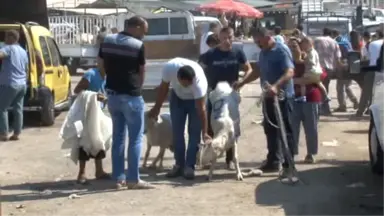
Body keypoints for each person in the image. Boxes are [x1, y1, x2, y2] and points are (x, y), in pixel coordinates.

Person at [98, 16, 153, 189]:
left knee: (118, 138)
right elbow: (142, 70)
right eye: (144, 31)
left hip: (113, 95)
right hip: (131, 95)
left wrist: (107, 80)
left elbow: (100, 63)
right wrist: (138, 88)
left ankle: (119, 178)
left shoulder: (107, 40)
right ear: (136, 27)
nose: (144, 35)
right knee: (136, 139)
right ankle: (133, 179)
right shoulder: (137, 46)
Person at [234, 27, 295, 175]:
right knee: (270, 129)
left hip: (282, 97)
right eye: (256, 42)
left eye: (259, 41)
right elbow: (258, 71)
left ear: (268, 37)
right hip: (268, 97)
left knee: (285, 131)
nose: (257, 44)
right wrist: (242, 82)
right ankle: (273, 161)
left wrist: (275, 86)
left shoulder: (281, 50)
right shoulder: (263, 52)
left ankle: (289, 164)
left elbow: (290, 72)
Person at [148, 58, 210, 180]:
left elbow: (202, 110)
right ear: (178, 78)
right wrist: (157, 107)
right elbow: (164, 88)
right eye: (185, 84)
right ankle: (179, 165)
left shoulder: (199, 84)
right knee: (177, 132)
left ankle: (189, 166)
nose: (188, 86)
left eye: (189, 84)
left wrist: (205, 132)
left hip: (194, 101)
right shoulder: (169, 68)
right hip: (177, 99)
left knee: (194, 132)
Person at [199, 27, 252, 169]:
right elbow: (199, 69)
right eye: (224, 38)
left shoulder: (238, 52)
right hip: (214, 94)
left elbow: (249, 69)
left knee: (231, 125)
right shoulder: (210, 54)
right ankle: (209, 157)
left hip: (231, 94)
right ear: (219, 38)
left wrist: (242, 82)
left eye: (230, 37)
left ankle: (230, 159)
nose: (227, 41)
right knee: (211, 125)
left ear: (233, 37)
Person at [288, 37, 322, 163]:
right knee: (292, 127)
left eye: (295, 46)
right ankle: (292, 153)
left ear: (300, 46)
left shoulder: (308, 60)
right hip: (293, 98)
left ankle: (311, 153)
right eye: (290, 46)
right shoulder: (287, 62)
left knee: (311, 127)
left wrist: (293, 81)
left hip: (311, 97)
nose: (292, 49)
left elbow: (319, 75)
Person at [73, 67, 109, 184]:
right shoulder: (90, 74)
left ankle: (99, 170)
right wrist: (94, 96)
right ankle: (81, 173)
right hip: (85, 114)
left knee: (99, 140)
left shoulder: (109, 76)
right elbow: (77, 90)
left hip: (99, 114)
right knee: (84, 142)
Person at [0, 30, 28, 142]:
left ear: (12, 38)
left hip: (9, 84)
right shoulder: (23, 51)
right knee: (18, 109)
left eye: (6, 37)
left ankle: (4, 134)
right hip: (22, 84)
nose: (5, 39)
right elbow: (26, 68)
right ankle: (17, 133)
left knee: (2, 108)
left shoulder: (9, 48)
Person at [314, 28, 342, 115]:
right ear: (331, 34)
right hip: (329, 68)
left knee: (316, 87)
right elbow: (337, 57)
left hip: (317, 67)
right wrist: (339, 69)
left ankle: (318, 107)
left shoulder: (317, 40)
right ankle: (325, 108)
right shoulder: (334, 42)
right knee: (325, 87)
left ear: (323, 33)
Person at [332, 29, 359, 112]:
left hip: (342, 63)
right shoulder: (346, 40)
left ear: (333, 34)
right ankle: (354, 100)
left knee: (340, 87)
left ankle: (342, 106)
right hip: (350, 63)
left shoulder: (337, 41)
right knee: (347, 85)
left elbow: (337, 55)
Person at [295, 37, 330, 102]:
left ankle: (303, 97)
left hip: (311, 72)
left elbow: (312, 61)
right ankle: (326, 96)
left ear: (309, 44)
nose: (303, 47)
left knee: (302, 83)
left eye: (304, 45)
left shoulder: (311, 52)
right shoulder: (313, 51)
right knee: (319, 83)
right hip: (318, 72)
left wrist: (303, 60)